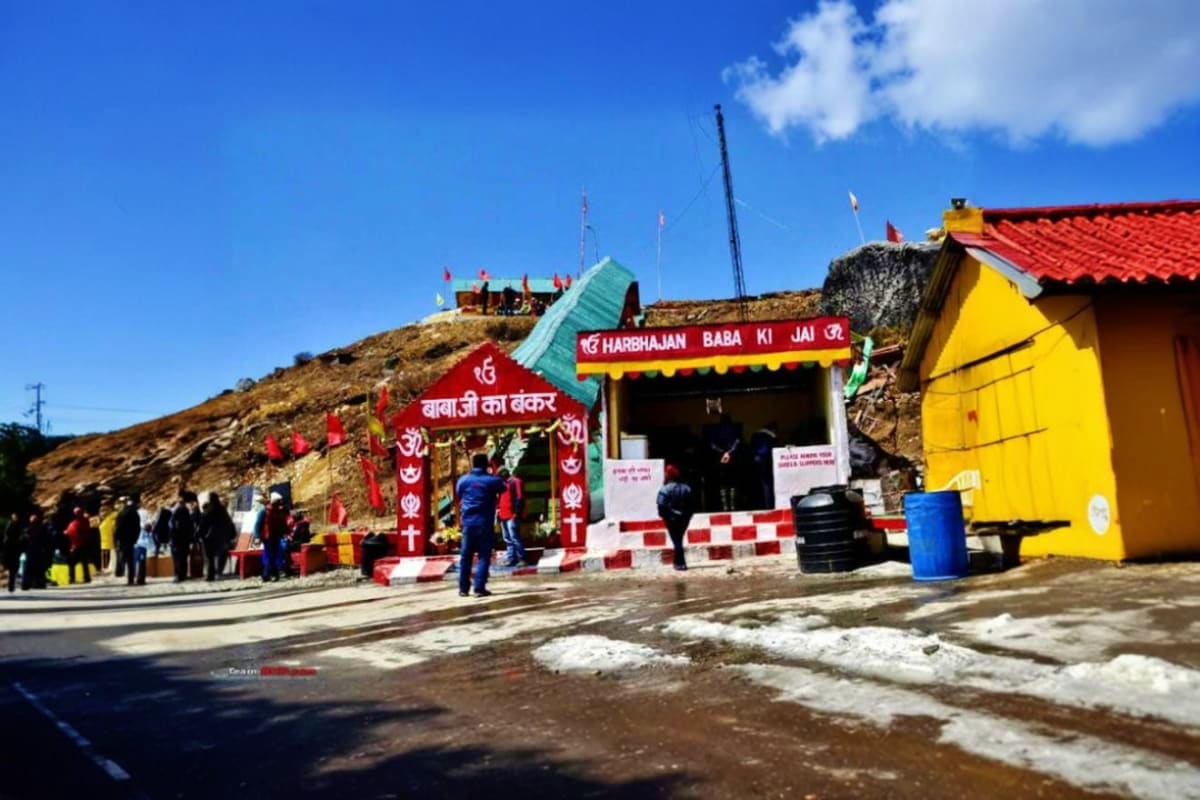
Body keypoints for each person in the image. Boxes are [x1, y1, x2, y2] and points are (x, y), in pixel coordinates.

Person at [455, 452, 505, 597]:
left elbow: (459, 493)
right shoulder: (492, 480)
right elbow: (503, 488)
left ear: (473, 464)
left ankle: (463, 589)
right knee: (483, 556)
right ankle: (479, 588)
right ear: (486, 464)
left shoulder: (463, 480)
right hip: (484, 523)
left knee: (466, 557)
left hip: (468, 523)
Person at [657, 464, 694, 571]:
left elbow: (661, 505)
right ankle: (678, 562)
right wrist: (687, 516)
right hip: (684, 518)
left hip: (671, 519)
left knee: (676, 541)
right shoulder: (686, 488)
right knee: (678, 539)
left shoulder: (665, 489)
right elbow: (692, 505)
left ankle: (680, 563)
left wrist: (665, 516)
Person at [197, 492, 236, 582]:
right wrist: (232, 534)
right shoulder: (222, 509)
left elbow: (204, 522)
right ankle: (218, 572)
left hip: (209, 537)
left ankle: (210, 575)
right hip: (222, 537)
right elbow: (229, 523)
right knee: (221, 555)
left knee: (209, 557)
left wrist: (199, 534)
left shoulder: (209, 508)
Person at [707, 413, 741, 511]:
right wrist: (729, 453)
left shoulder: (716, 430)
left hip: (720, 460)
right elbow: (737, 442)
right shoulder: (734, 430)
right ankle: (733, 506)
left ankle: (724, 506)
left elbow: (712, 445)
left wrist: (722, 453)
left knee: (722, 484)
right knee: (733, 484)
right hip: (733, 459)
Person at [496, 468, 528, 567]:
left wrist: (516, 512)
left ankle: (522, 558)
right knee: (507, 538)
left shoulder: (516, 482)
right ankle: (511, 558)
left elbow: (519, 497)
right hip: (503, 514)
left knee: (514, 537)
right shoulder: (502, 484)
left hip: (512, 515)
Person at [260, 493, 289, 582]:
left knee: (274, 555)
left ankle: (267, 574)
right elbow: (258, 523)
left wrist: (285, 532)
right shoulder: (264, 511)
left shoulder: (279, 511)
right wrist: (257, 536)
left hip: (276, 535)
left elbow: (282, 523)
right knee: (271, 555)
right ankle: (271, 574)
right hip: (267, 536)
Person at [750, 421, 780, 510]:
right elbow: (774, 450)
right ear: (773, 429)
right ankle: (768, 506)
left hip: (754, 464)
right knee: (767, 486)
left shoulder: (755, 435)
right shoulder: (771, 437)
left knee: (757, 486)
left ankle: (758, 506)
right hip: (766, 464)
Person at [114, 496, 142, 587]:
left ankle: (125, 575)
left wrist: (116, 537)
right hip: (131, 539)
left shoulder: (123, 513)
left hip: (123, 539)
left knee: (124, 558)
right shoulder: (135, 513)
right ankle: (131, 578)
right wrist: (135, 538)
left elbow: (118, 527)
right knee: (130, 559)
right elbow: (137, 527)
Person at [169, 493, 195, 583]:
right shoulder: (185, 511)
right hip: (183, 539)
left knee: (178, 558)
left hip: (177, 539)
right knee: (182, 557)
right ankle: (181, 575)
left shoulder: (177, 512)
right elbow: (189, 526)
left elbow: (172, 525)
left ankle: (179, 575)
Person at [64, 507, 92, 584]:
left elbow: (68, 532)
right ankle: (87, 577)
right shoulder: (85, 521)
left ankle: (71, 578)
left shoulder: (74, 523)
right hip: (83, 544)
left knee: (72, 563)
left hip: (77, 545)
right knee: (84, 562)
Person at [22, 513, 49, 590]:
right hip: (37, 551)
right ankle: (37, 583)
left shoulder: (27, 530)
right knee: (38, 568)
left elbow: (23, 541)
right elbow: (46, 541)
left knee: (30, 569)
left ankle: (28, 584)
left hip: (32, 551)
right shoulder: (41, 529)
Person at [3, 513, 24, 593]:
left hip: (11, 550)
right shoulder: (16, 525)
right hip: (13, 550)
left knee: (11, 569)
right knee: (12, 569)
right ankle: (10, 586)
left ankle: (10, 586)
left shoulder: (11, 525)